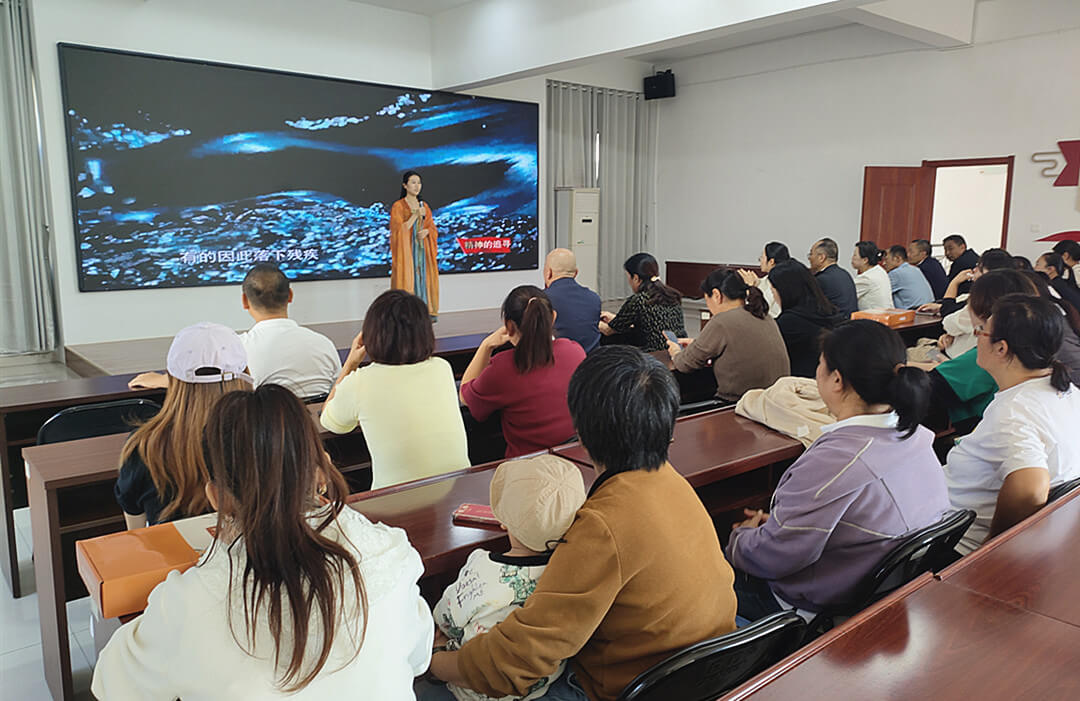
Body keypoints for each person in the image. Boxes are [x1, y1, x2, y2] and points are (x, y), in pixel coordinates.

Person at [428, 347, 738, 701]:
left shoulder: (604, 525)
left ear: (583, 434)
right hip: (706, 666)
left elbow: (519, 659)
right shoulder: (672, 481)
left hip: (633, 685)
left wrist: (437, 664)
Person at [93, 385, 434, 699]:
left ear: (215, 496)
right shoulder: (390, 553)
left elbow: (113, 685)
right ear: (320, 473)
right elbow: (418, 658)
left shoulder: (189, 602)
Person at [726, 320, 949, 619]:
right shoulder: (914, 437)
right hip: (878, 590)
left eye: (820, 364)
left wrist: (741, 539)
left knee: (702, 568)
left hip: (812, 605)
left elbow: (776, 557)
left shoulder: (837, 460)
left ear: (836, 380)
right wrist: (785, 523)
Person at [430, 455, 587, 701]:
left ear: (502, 522)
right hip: (545, 685)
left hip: (474, 689)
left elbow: (444, 618)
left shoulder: (481, 566)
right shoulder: (574, 569)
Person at [944, 295, 1080, 554]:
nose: (977, 336)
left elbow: (1030, 488)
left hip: (955, 541)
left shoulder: (1014, 411)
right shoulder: (1065, 390)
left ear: (1001, 348)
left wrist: (991, 551)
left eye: (982, 331)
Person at [320, 290, 469, 488]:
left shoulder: (360, 382)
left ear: (370, 333)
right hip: (457, 487)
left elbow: (330, 422)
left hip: (395, 501)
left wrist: (350, 363)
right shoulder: (442, 367)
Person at [116, 322, 253, 530]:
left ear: (171, 379)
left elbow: (136, 533)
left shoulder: (144, 446)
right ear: (246, 373)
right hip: (254, 557)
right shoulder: (268, 435)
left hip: (172, 559)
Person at [461, 286, 585, 457]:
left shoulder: (502, 367)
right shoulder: (575, 351)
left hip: (528, 469)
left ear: (509, 325)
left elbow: (465, 396)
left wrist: (486, 345)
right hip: (576, 461)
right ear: (553, 317)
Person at [666, 269, 789, 402]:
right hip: (775, 400)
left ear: (716, 295)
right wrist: (697, 342)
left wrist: (676, 352)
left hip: (737, 404)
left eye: (707, 300)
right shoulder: (765, 316)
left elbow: (685, 363)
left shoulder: (721, 321)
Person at [238, 263, 341, 399]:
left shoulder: (237, 349)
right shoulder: (323, 344)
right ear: (290, 295)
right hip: (314, 420)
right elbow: (338, 395)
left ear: (244, 301)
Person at [598, 253, 686, 352]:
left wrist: (592, 321)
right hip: (678, 351)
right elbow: (649, 323)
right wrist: (614, 318)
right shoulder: (672, 294)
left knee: (609, 338)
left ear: (636, 278)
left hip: (653, 355)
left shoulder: (639, 299)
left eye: (628, 277)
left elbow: (608, 330)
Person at [768, 260, 837, 378]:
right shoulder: (828, 310)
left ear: (785, 291)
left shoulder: (788, 323)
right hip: (823, 380)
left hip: (797, 385)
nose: (773, 295)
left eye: (773, 289)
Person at [390, 170, 440, 318]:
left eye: (419, 182)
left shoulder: (424, 205)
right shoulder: (398, 206)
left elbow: (431, 227)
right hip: (407, 251)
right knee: (409, 279)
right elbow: (399, 230)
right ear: (405, 185)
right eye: (413, 182)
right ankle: (407, 314)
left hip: (422, 251)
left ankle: (423, 312)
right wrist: (416, 214)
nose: (417, 186)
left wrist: (427, 232)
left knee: (423, 279)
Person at [542, 248, 602, 353]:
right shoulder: (594, 298)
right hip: (592, 363)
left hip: (560, 363)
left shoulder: (542, 300)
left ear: (549, 273)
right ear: (576, 273)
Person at [738, 241, 790, 319]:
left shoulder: (779, 282)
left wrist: (751, 287)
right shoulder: (776, 275)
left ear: (771, 261)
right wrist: (757, 283)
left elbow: (762, 308)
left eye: (762, 257)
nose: (760, 260)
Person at [807, 237, 858, 318]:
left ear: (821, 257)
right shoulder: (844, 273)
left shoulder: (822, 279)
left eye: (811, 254)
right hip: (849, 324)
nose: (809, 258)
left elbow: (808, 308)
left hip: (833, 327)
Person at [850, 241, 893, 310]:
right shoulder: (879, 271)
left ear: (865, 260)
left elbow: (846, 294)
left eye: (855, 255)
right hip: (886, 315)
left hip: (874, 317)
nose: (852, 258)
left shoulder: (867, 278)